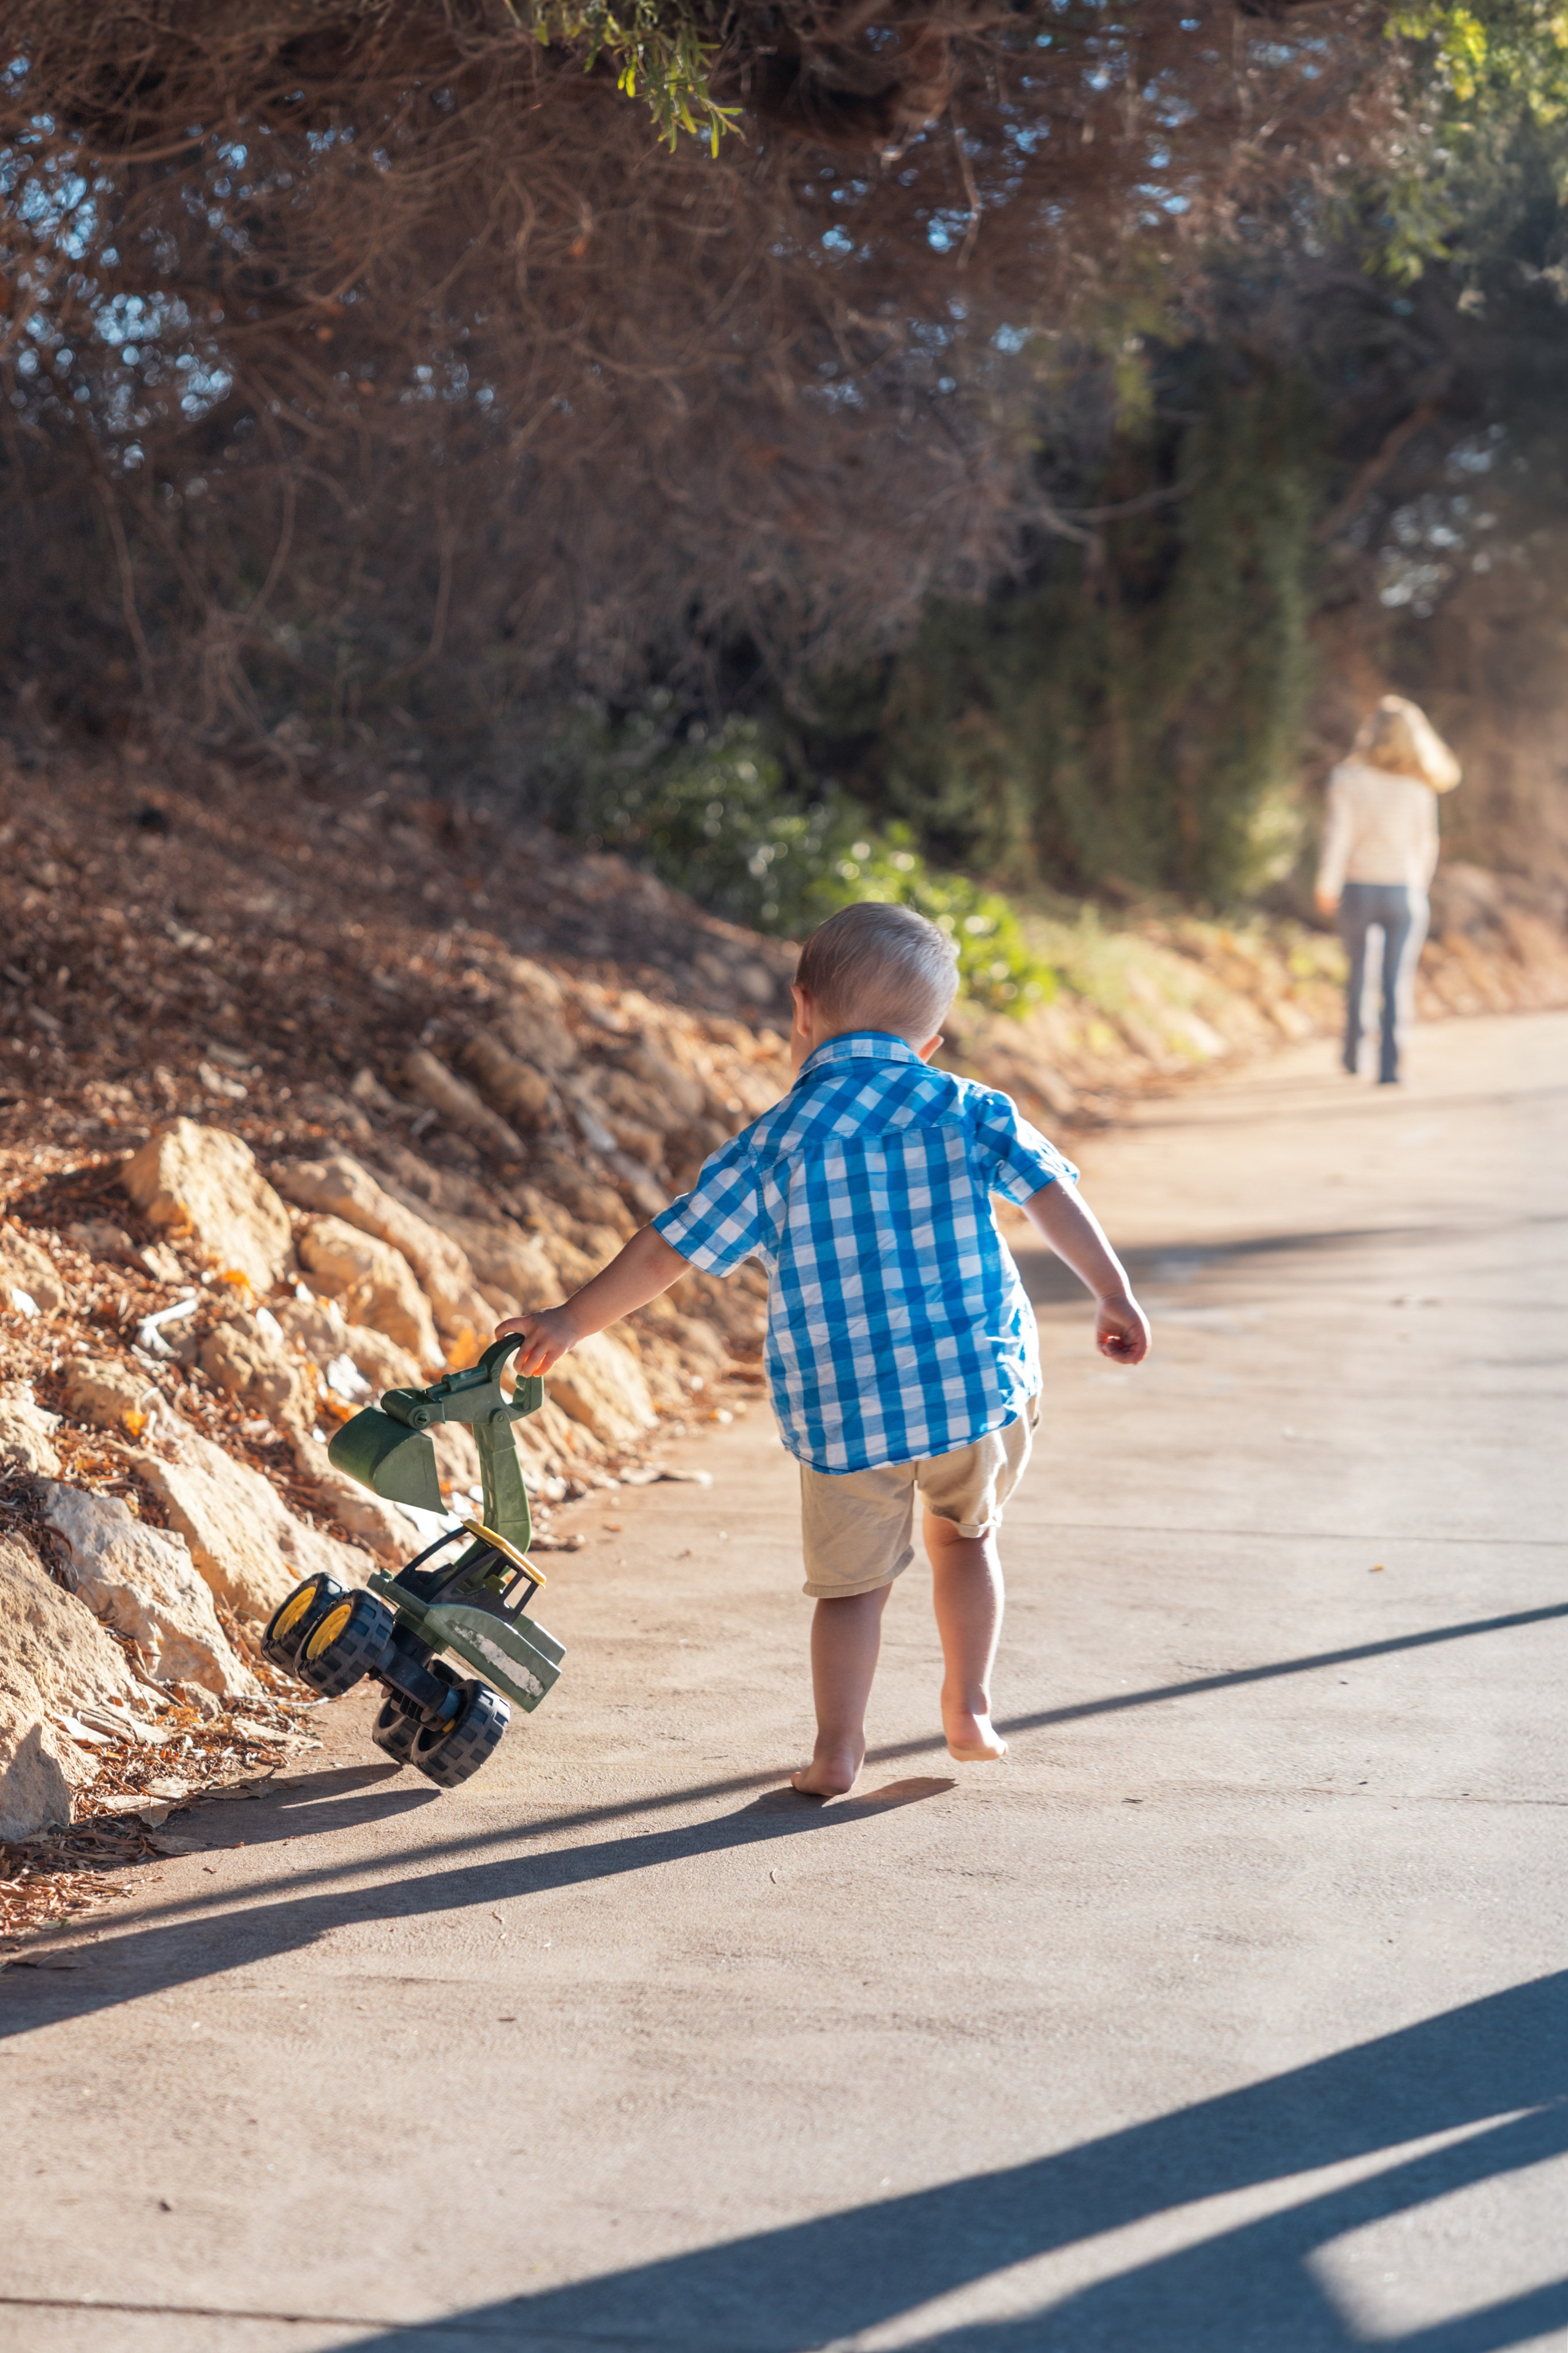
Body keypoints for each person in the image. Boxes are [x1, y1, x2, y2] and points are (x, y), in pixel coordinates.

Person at [495, 901, 1150, 1797]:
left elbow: (666, 1249)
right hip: (970, 1386)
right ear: (934, 1039)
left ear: (803, 1010)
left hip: (844, 1410)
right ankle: (971, 1710)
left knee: (850, 1591)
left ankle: (838, 1749)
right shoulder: (967, 1106)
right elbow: (1050, 1198)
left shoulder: (777, 1143)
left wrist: (570, 1320)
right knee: (967, 1541)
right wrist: (1111, 1291)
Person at [1314, 695, 1461, 1086]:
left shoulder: (1347, 779)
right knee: (1396, 979)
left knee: (1360, 972)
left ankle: (1352, 1053)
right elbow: (1426, 844)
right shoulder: (1418, 788)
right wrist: (1418, 887)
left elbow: (1339, 837)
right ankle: (1391, 1065)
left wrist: (1327, 884)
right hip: (1404, 892)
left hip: (1359, 889)